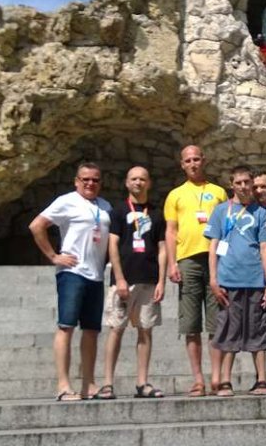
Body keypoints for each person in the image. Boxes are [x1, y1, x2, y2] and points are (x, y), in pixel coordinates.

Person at [28, 162, 112, 401]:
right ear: (76, 181)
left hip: (96, 275)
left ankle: (88, 384)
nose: (90, 183)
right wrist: (54, 256)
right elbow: (36, 226)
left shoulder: (105, 206)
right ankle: (63, 385)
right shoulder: (66, 201)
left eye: (95, 180)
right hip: (73, 272)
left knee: (91, 330)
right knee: (66, 326)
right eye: (85, 179)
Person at [96, 166, 167, 400]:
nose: (138, 182)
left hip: (149, 279)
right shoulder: (118, 211)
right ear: (127, 183)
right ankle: (107, 383)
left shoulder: (156, 213)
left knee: (145, 330)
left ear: (149, 183)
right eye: (134, 179)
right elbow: (113, 245)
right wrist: (119, 278)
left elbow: (162, 248)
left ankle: (142, 382)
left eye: (142, 179)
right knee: (116, 329)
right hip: (124, 279)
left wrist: (161, 281)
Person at [165, 145, 228, 397]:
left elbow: (227, 226)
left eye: (196, 159)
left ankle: (216, 377)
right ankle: (198, 379)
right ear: (182, 164)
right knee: (190, 324)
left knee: (216, 321)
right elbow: (171, 231)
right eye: (188, 160)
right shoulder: (175, 195)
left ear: (204, 160)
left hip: (215, 261)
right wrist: (172, 263)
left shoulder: (219, 192)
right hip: (187, 259)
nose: (193, 164)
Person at [206, 165, 266, 396]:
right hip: (228, 279)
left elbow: (265, 247)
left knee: (258, 328)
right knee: (229, 329)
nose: (244, 187)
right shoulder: (220, 211)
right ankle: (225, 380)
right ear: (231, 184)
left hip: (255, 279)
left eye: (247, 182)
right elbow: (213, 246)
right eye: (239, 183)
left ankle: (262, 379)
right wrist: (213, 279)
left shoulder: (260, 213)